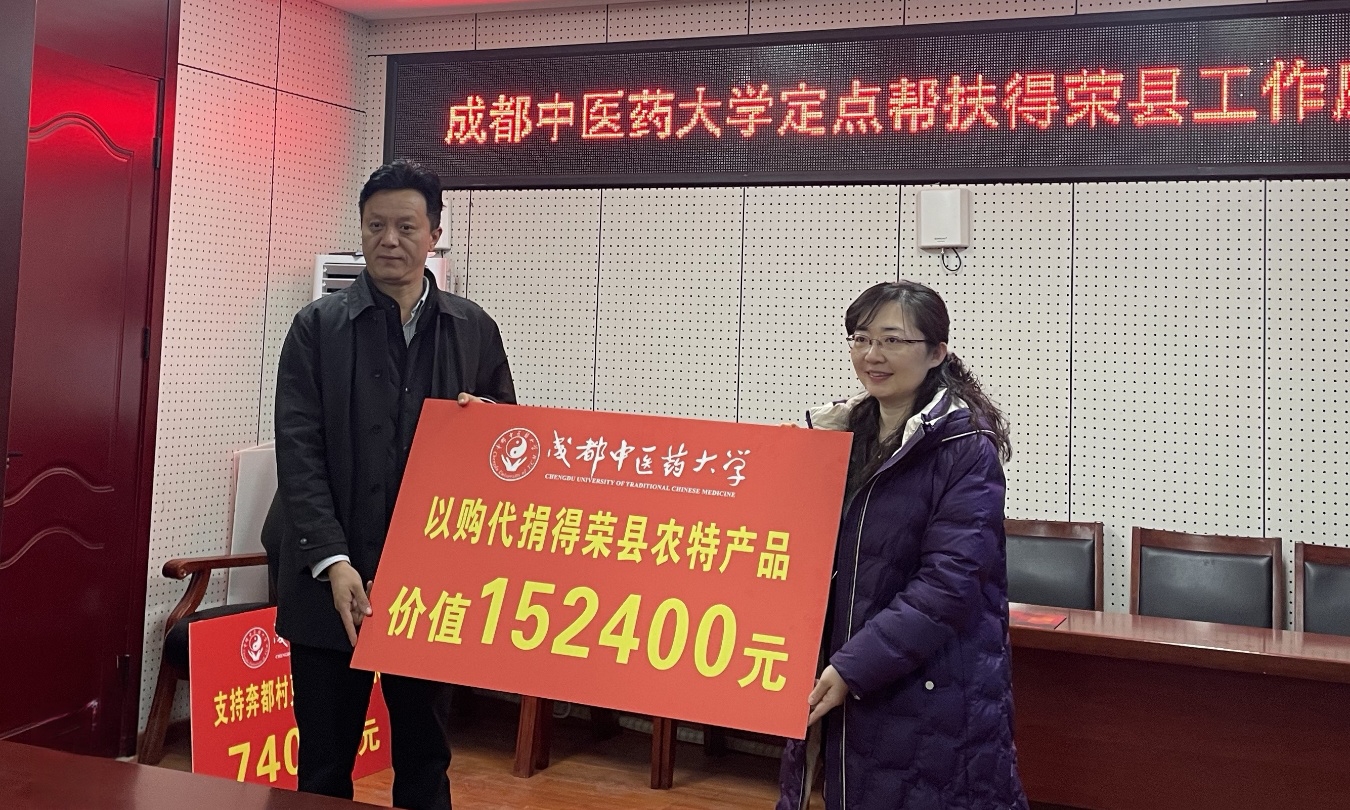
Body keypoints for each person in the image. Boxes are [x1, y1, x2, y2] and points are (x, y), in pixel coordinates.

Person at [265, 159, 515, 810]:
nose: (389, 241)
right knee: (323, 765)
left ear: (434, 233)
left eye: (406, 226)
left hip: (428, 586)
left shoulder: (473, 329)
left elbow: (511, 450)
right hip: (327, 577)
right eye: (375, 226)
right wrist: (334, 560)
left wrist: (487, 426)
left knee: (426, 762)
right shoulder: (316, 328)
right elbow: (299, 454)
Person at [778, 280, 1027, 810]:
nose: (872, 355)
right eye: (861, 338)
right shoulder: (837, 437)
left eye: (893, 340)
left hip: (929, 683)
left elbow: (949, 582)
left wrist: (854, 666)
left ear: (937, 353)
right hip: (842, 667)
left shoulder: (964, 446)